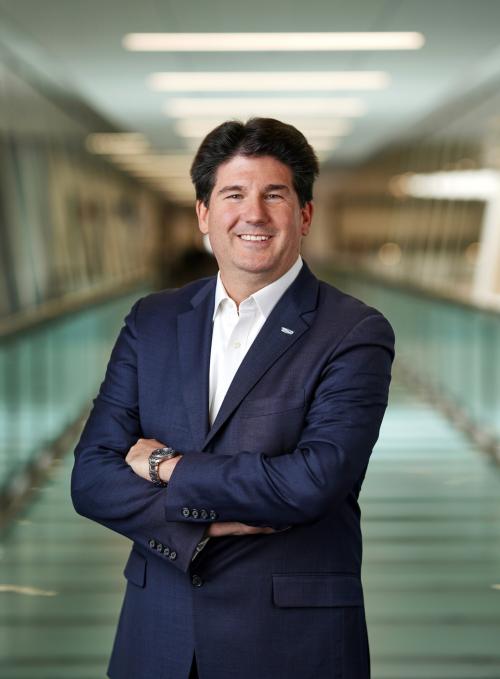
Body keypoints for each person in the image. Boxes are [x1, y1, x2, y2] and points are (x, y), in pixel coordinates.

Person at [71, 117, 395, 679]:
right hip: (158, 636)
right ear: (204, 213)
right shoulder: (152, 320)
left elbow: (312, 482)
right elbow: (92, 478)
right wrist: (203, 524)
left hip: (291, 643)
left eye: (275, 195)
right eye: (234, 194)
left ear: (305, 214)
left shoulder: (354, 332)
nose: (254, 214)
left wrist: (167, 466)